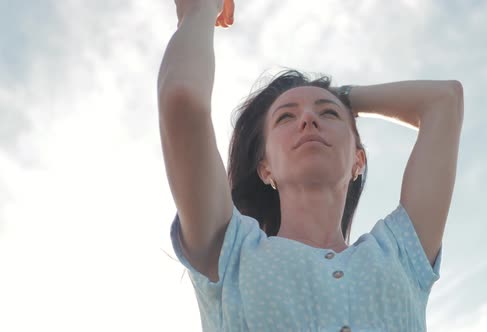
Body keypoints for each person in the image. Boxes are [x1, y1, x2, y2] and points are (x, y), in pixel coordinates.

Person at [158, 0, 464, 330]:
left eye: (327, 114)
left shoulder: (401, 253)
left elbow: (444, 101)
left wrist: (344, 96)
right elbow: (182, 101)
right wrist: (202, 9)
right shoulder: (231, 249)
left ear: (357, 159)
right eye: (286, 116)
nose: (307, 119)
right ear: (265, 168)